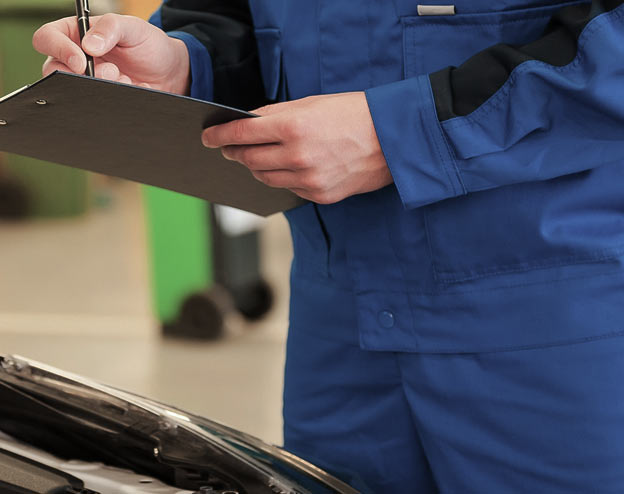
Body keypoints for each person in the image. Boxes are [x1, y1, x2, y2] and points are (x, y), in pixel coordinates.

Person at [34, 1, 624, 492]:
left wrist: (399, 133)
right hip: (339, 323)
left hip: (558, 318)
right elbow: (238, 13)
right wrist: (186, 63)